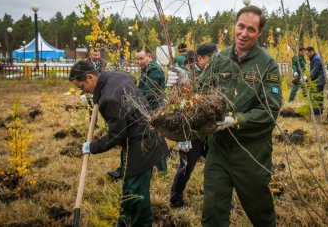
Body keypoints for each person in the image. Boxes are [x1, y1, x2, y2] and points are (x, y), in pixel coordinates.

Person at [199, 5, 282, 226]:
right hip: (218, 149)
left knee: (261, 214)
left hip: (250, 153)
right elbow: (201, 93)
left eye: (251, 30)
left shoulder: (267, 65)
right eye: (241, 26)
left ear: (259, 33)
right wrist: (184, 85)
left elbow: (270, 111)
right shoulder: (219, 59)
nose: (244, 33)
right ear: (234, 26)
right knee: (212, 213)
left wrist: (236, 120)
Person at [69, 60, 168, 226]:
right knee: (134, 189)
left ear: (90, 77)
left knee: (134, 192)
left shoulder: (110, 98)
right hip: (142, 136)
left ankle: (133, 223)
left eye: (81, 87)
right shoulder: (116, 75)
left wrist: (92, 147)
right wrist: (95, 98)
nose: (82, 91)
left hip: (142, 143)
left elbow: (117, 135)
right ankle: (134, 223)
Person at [168, 43, 217, 208]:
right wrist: (183, 135)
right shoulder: (189, 74)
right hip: (192, 132)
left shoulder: (216, 73)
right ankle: (176, 198)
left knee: (216, 168)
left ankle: (215, 198)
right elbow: (175, 104)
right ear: (201, 58)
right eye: (212, 58)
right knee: (185, 167)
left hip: (211, 131)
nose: (216, 61)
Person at [108, 46, 166, 180]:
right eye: (137, 59)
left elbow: (148, 93)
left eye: (141, 58)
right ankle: (161, 169)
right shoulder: (147, 70)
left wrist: (129, 96)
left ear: (149, 57)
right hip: (149, 110)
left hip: (150, 110)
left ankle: (125, 171)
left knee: (133, 140)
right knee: (156, 140)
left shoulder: (154, 71)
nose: (139, 61)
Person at [305, 46, 325, 115]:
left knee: (317, 97)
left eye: (307, 53)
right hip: (317, 81)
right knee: (317, 97)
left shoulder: (316, 59)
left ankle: (317, 113)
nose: (307, 55)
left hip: (318, 82)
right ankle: (317, 112)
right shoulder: (315, 58)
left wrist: (306, 79)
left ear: (312, 51)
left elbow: (314, 71)